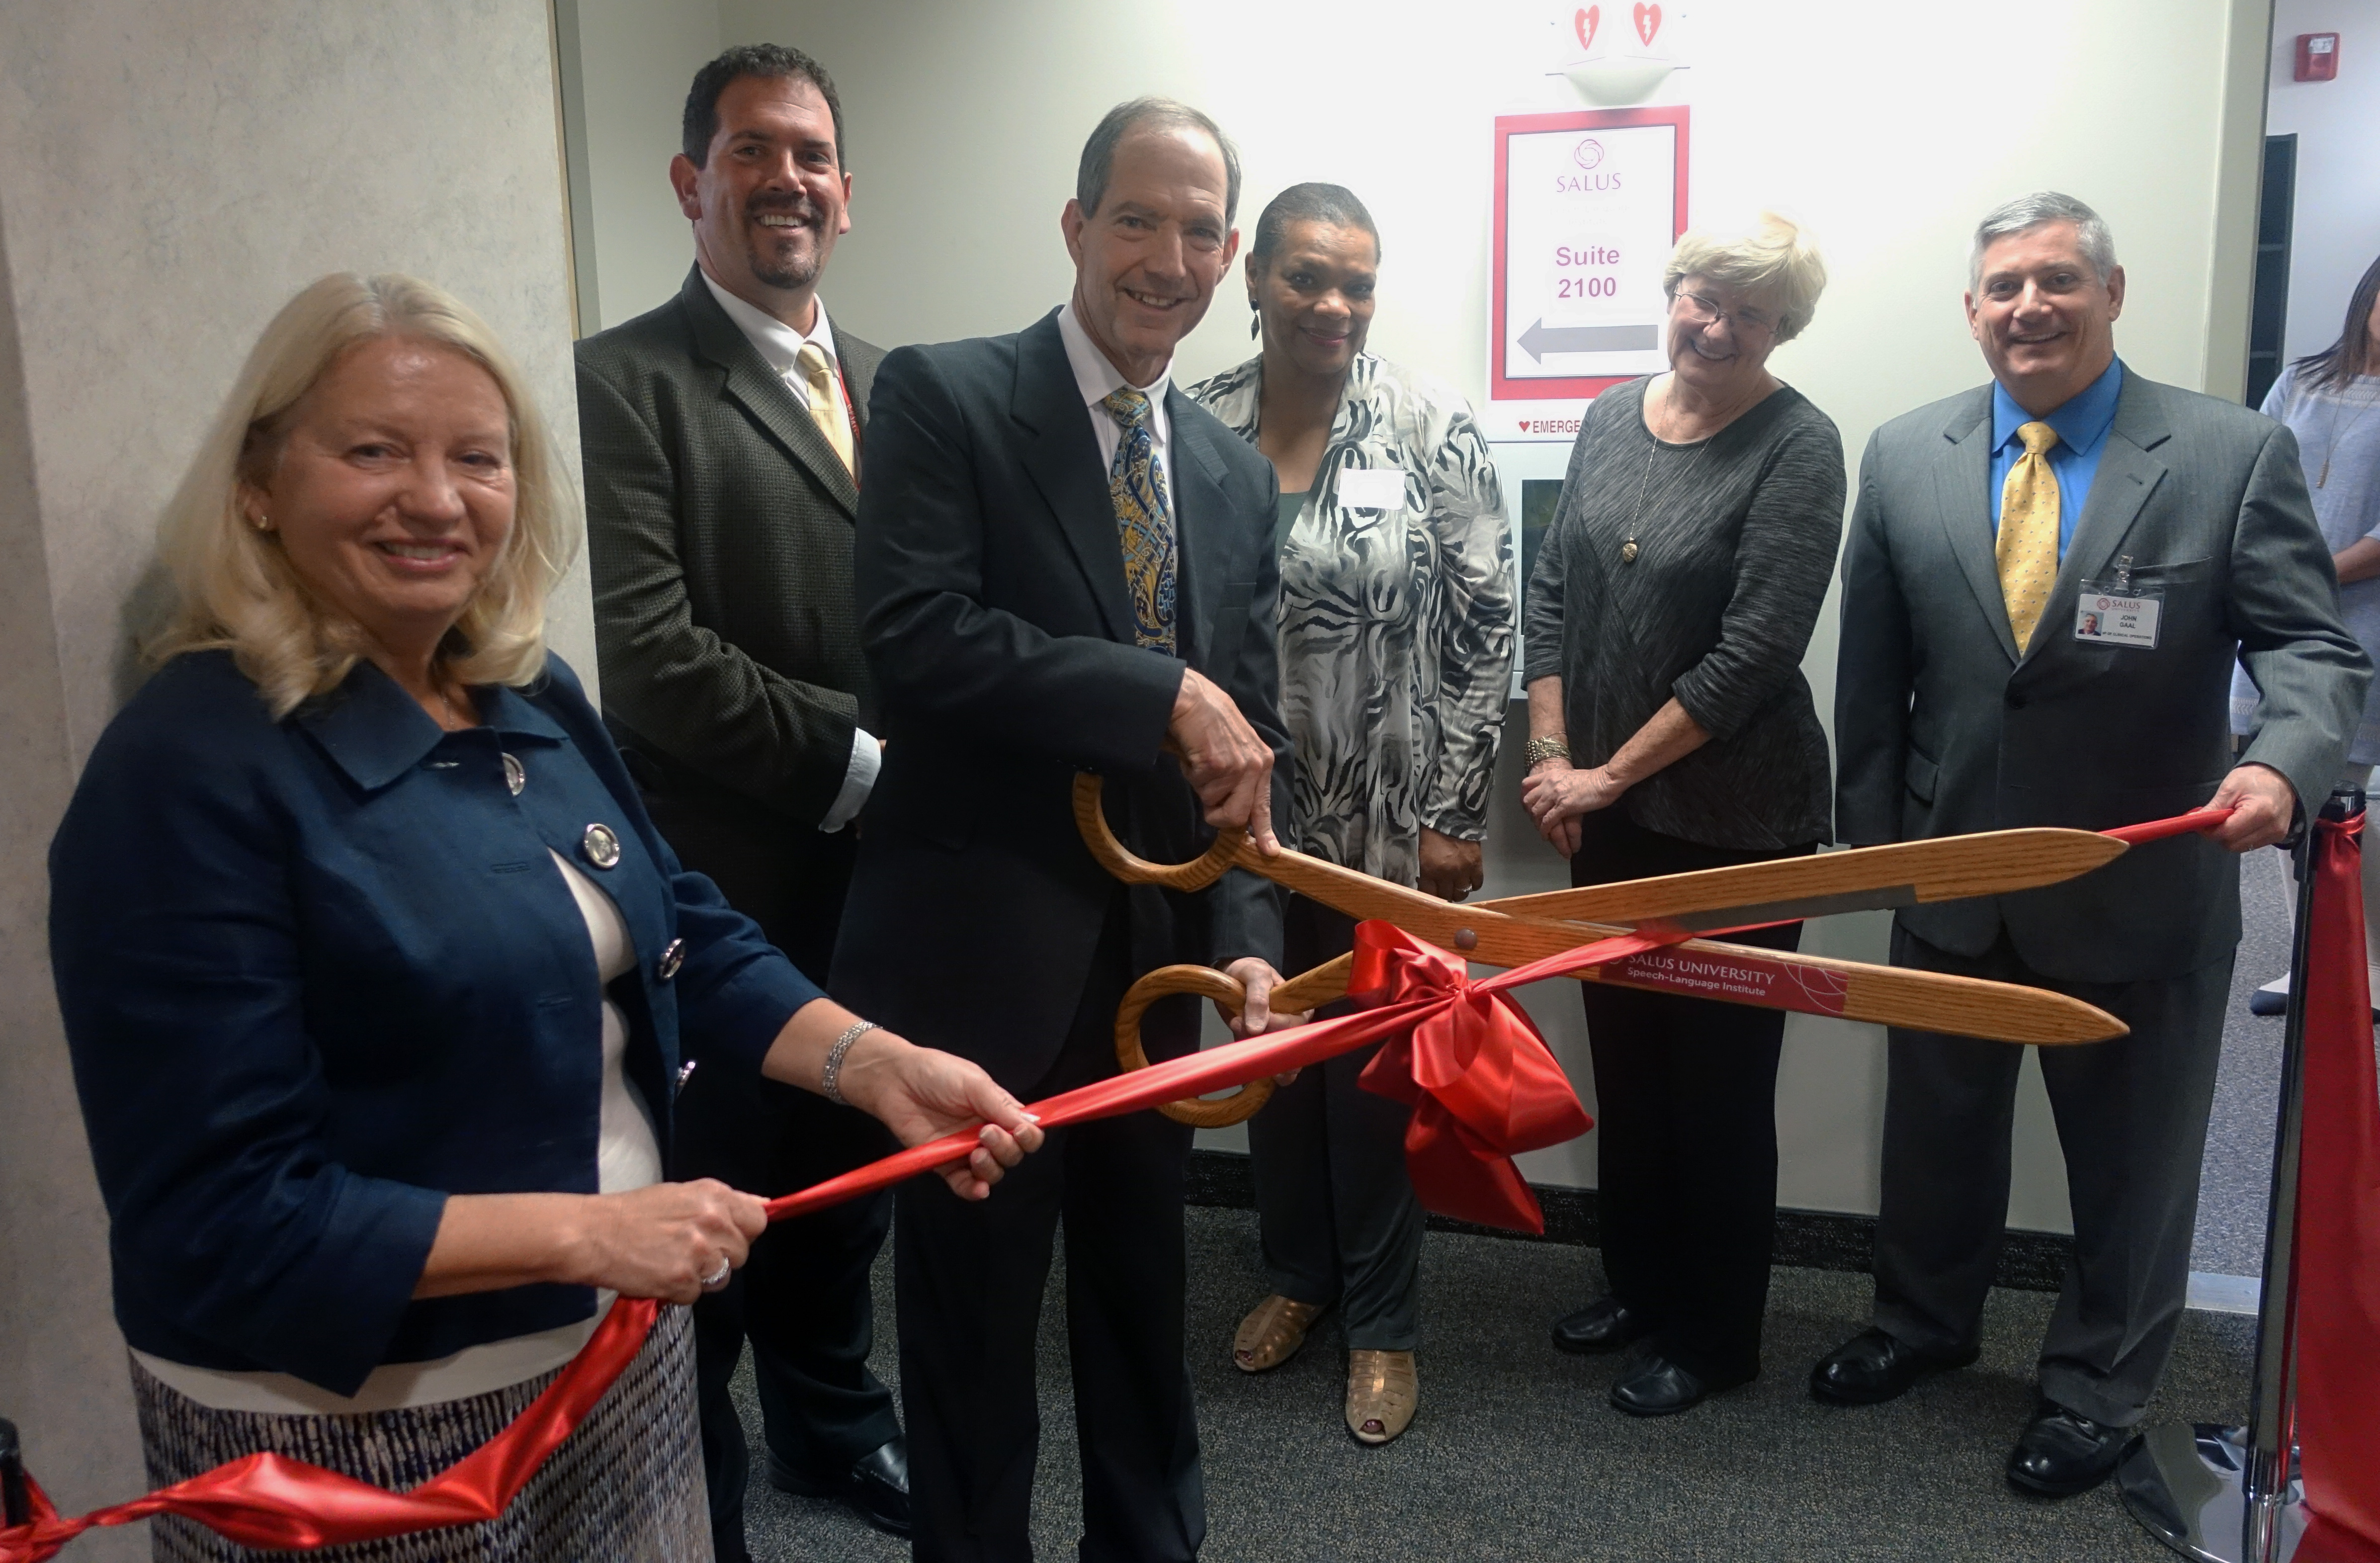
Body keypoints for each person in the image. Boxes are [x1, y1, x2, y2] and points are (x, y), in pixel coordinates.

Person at [48, 273, 1041, 1563]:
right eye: (373, 452)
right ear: (256, 483)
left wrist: (875, 1064)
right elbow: (221, 1222)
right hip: (365, 1439)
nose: (438, 498)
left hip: (613, 1359)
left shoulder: (522, 687)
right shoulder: (186, 774)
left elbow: (675, 919)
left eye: (479, 457)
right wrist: (590, 1231)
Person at [1818, 192, 2368, 1497]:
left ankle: (2095, 1387)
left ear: (2111, 294)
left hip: (2141, 890)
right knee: (1933, 1141)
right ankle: (1920, 1325)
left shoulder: (2228, 452)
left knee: (2132, 1168)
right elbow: (1873, 691)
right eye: (2002, 286)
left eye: (2057, 279)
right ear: (1970, 312)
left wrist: (2277, 765)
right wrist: (1881, 855)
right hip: (1948, 883)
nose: (2028, 306)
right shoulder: (1901, 457)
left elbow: (2308, 649)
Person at [831, 98, 1291, 1562]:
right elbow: (915, 643)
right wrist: (1155, 688)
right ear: (1076, 225)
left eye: (1198, 229)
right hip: (974, 964)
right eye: (1138, 219)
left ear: (1228, 254)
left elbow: (1245, 753)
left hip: (1155, 979)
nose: (1167, 256)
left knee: (1144, 1311)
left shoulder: (1223, 469)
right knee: (968, 1334)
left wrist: (1253, 945)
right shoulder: (944, 396)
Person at [574, 42, 909, 1552]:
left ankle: (834, 1431)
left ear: (848, 191)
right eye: (752, 151)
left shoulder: (898, 387)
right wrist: (862, 767)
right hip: (720, 887)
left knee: (852, 1186)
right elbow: (645, 655)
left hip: (889, 884)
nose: (788, 179)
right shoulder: (620, 380)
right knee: (714, 1209)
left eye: (812, 155)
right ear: (689, 181)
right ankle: (692, 1490)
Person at [1188, 182, 1514, 1446]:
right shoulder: (1195, 420)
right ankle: (1298, 1276)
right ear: (1253, 274)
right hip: (1242, 819)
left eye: (1357, 282)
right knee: (1270, 1050)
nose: (1333, 303)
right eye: (1308, 276)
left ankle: (1383, 1323)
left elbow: (1488, 627)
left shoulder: (1429, 425)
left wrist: (1453, 809)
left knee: (1377, 1083)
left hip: (1389, 824)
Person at [1518, 213, 1844, 1418]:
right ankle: (1641, 1289)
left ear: (1780, 330)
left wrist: (1604, 778)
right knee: (1633, 1070)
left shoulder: (1800, 446)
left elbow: (1756, 653)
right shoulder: (1610, 416)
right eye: (1702, 298)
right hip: (1602, 814)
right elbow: (1551, 589)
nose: (1714, 326)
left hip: (1737, 828)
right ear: (1673, 291)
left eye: (1748, 313)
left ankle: (1716, 1336)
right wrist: (1556, 756)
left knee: (1715, 1086)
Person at [2233, 251, 2380, 1015]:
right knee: (2293, 790)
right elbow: (2248, 472)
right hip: (2275, 620)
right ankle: (2307, 960)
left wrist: (2303, 576)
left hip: (2361, 620)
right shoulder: (2303, 380)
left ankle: (2364, 968)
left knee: (2354, 804)